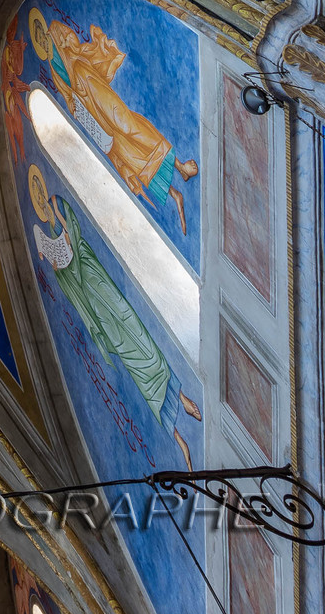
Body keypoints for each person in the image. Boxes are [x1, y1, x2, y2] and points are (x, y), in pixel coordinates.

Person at [29, 173, 201, 462]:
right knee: (128, 355)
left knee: (138, 334)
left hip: (99, 283)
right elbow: (66, 280)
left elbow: (75, 236)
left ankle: (181, 398)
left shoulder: (58, 205)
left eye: (38, 189)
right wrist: (58, 267)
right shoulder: (46, 232)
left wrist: (67, 242)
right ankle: (177, 435)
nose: (38, 195)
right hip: (93, 304)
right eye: (35, 194)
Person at [29, 4, 199, 231]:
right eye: (38, 41)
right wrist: (75, 107)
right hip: (89, 106)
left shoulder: (58, 34)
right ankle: (173, 192)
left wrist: (70, 49)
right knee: (123, 150)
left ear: (44, 32)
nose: (42, 42)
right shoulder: (52, 68)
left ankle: (180, 166)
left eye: (40, 36)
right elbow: (67, 96)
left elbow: (75, 44)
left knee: (129, 125)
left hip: (94, 86)